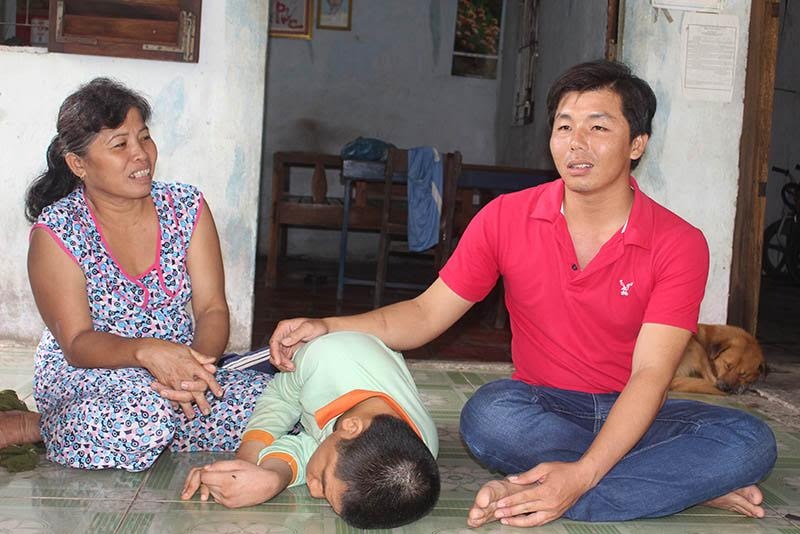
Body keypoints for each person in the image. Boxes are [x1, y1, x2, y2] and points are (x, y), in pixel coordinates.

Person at [265, 60, 777, 527]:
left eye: (598, 126)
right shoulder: (506, 218)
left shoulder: (679, 243)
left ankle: (554, 488)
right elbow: (424, 314)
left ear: (636, 143)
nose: (576, 143)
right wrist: (328, 325)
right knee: (487, 416)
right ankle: (671, 481)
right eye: (563, 127)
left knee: (750, 441)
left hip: (639, 406)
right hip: (543, 407)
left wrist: (580, 477)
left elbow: (649, 375)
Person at [0, 78, 272, 471]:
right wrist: (146, 351)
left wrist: (198, 368)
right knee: (143, 414)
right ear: (78, 164)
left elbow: (212, 308)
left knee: (280, 405)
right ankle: (41, 425)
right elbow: (77, 342)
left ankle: (144, 428)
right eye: (120, 145)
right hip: (91, 372)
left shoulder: (186, 207)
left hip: (182, 371)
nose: (141, 155)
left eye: (144, 138)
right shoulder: (58, 231)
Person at [181, 331, 440, 529]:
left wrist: (273, 477)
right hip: (299, 358)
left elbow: (308, 447)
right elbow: (280, 399)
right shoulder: (322, 359)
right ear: (350, 427)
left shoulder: (414, 451)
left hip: (327, 386)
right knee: (216, 381)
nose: (313, 491)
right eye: (323, 481)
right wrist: (245, 460)